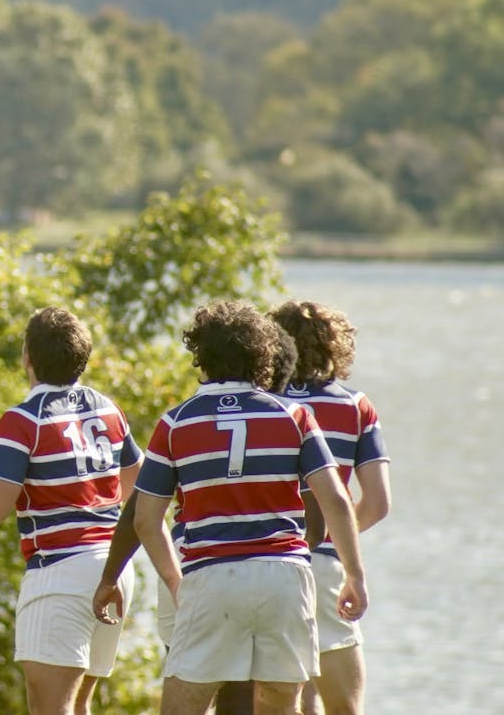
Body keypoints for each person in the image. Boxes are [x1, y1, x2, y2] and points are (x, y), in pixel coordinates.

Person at [108, 300, 369, 715]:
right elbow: (335, 499)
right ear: (263, 354)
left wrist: (175, 581)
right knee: (281, 706)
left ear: (200, 356)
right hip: (284, 576)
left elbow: (145, 520)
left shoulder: (175, 422)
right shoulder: (295, 415)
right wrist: (354, 574)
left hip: (211, 575)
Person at [0, 307, 141, 715]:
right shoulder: (107, 409)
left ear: (27, 356)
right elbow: (137, 486)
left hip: (60, 572)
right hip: (115, 567)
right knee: (79, 705)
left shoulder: (22, 420)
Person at [270, 300, 391, 715]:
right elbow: (377, 503)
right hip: (324, 566)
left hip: (265, 561)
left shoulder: (263, 402)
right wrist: (336, 536)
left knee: (280, 699)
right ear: (334, 346)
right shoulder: (356, 406)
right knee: (343, 707)